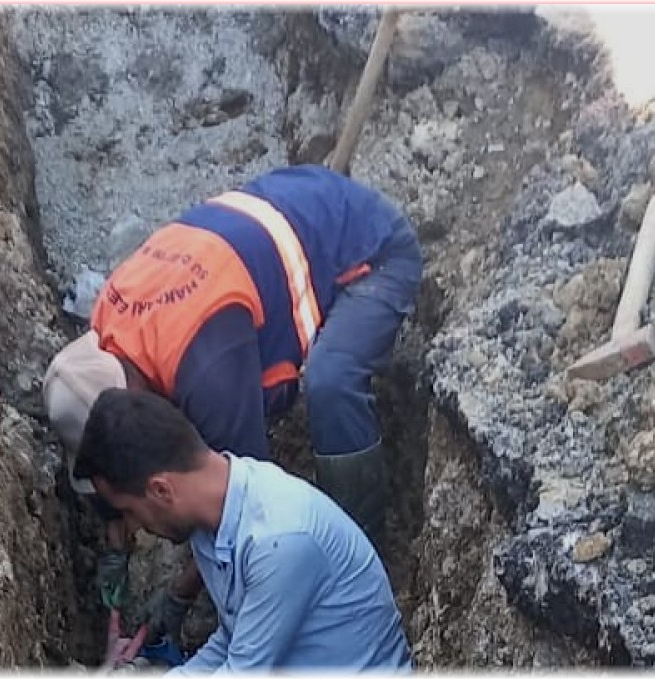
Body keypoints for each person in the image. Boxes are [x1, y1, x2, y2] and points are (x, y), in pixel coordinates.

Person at [42, 164, 423, 642]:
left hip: (368, 249)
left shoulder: (207, 369)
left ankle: (362, 549)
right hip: (289, 210)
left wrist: (180, 596)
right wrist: (116, 545)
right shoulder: (108, 321)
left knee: (330, 381)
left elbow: (245, 507)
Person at [74, 387, 414, 672]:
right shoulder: (213, 523)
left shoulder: (279, 539)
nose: (134, 527)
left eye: (129, 512)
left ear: (161, 490)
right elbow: (233, 641)